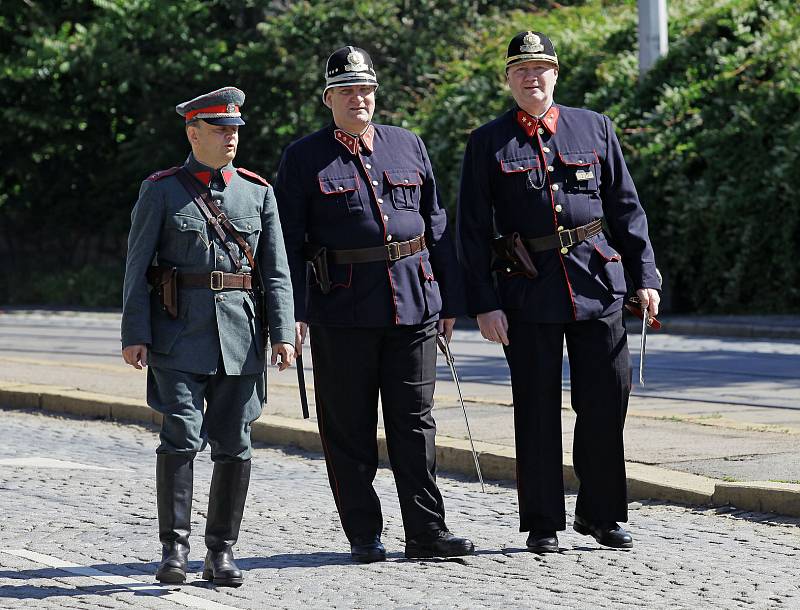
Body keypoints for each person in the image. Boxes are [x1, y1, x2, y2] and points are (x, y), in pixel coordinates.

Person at [456, 31, 661, 552]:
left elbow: (626, 209)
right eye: (521, 70)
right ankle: (543, 522)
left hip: (598, 283)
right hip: (527, 291)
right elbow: (472, 230)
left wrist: (646, 279)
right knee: (537, 408)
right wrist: (483, 303)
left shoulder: (594, 127)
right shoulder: (487, 142)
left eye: (541, 67)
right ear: (507, 80)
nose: (532, 77)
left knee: (606, 402)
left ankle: (602, 514)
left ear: (555, 73)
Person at [274, 46, 473, 562]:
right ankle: (364, 533)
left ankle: (427, 533)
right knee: (348, 427)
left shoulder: (407, 145)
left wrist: (449, 297)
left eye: (365, 89)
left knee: (415, 422)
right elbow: (288, 242)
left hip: (414, 303)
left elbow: (437, 226)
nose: (358, 98)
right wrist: (292, 313)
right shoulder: (303, 157)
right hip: (342, 309)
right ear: (329, 99)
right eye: (346, 90)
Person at [121, 86, 295, 586]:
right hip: (177, 337)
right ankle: (173, 549)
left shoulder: (257, 192)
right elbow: (137, 269)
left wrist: (282, 332)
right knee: (179, 435)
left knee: (236, 443)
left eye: (235, 129)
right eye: (220, 129)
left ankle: (221, 551)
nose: (231, 137)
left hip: (241, 338)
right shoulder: (161, 190)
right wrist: (135, 332)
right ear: (193, 133)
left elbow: (275, 272)